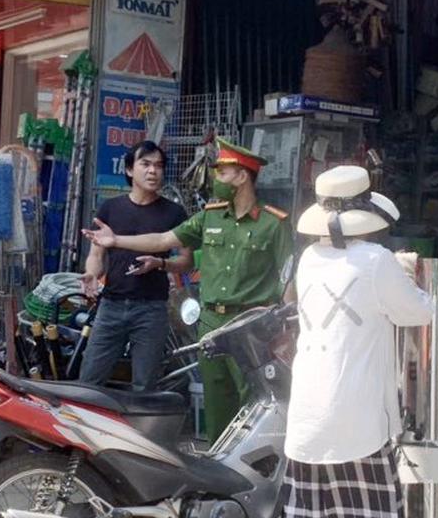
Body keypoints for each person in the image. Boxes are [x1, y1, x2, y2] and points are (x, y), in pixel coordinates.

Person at [279, 165, 434, 518]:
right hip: (357, 415)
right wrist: (408, 277)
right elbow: (418, 311)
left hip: (307, 413)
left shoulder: (308, 259)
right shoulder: (377, 260)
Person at [85, 140, 291, 440]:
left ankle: (255, 461)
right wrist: (114, 243)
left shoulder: (273, 224)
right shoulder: (210, 216)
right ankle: (217, 459)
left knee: (255, 400)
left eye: (222, 172)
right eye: (145, 164)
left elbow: (289, 279)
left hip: (251, 325)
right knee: (216, 399)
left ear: (241, 176)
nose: (216, 178)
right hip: (210, 323)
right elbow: (161, 240)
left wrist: (287, 331)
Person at [77, 141, 193, 389]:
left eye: (158, 166)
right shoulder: (110, 208)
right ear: (130, 170)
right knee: (89, 380)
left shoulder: (174, 213)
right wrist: (91, 273)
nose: (153, 171)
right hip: (111, 305)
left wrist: (160, 263)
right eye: (146, 164)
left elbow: (186, 262)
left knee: (145, 385)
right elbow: (96, 254)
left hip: (152, 309)